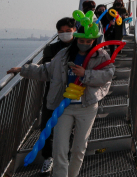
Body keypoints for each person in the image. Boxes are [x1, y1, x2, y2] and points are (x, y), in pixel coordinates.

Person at [8, 26, 114, 177]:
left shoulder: (101, 56)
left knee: (79, 148)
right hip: (63, 107)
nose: (85, 43)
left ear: (94, 40)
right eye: (81, 40)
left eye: (88, 41)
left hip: (87, 106)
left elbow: (108, 74)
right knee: (59, 149)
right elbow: (46, 70)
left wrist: (86, 74)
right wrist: (22, 70)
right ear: (76, 38)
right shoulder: (64, 55)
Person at [7, 18, 76, 175]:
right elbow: (46, 70)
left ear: (74, 29)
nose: (64, 34)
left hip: (74, 96)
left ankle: (66, 157)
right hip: (53, 93)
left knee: (69, 127)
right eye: (61, 31)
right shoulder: (52, 49)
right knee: (47, 126)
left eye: (68, 30)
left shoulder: (81, 46)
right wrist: (22, 70)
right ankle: (48, 158)